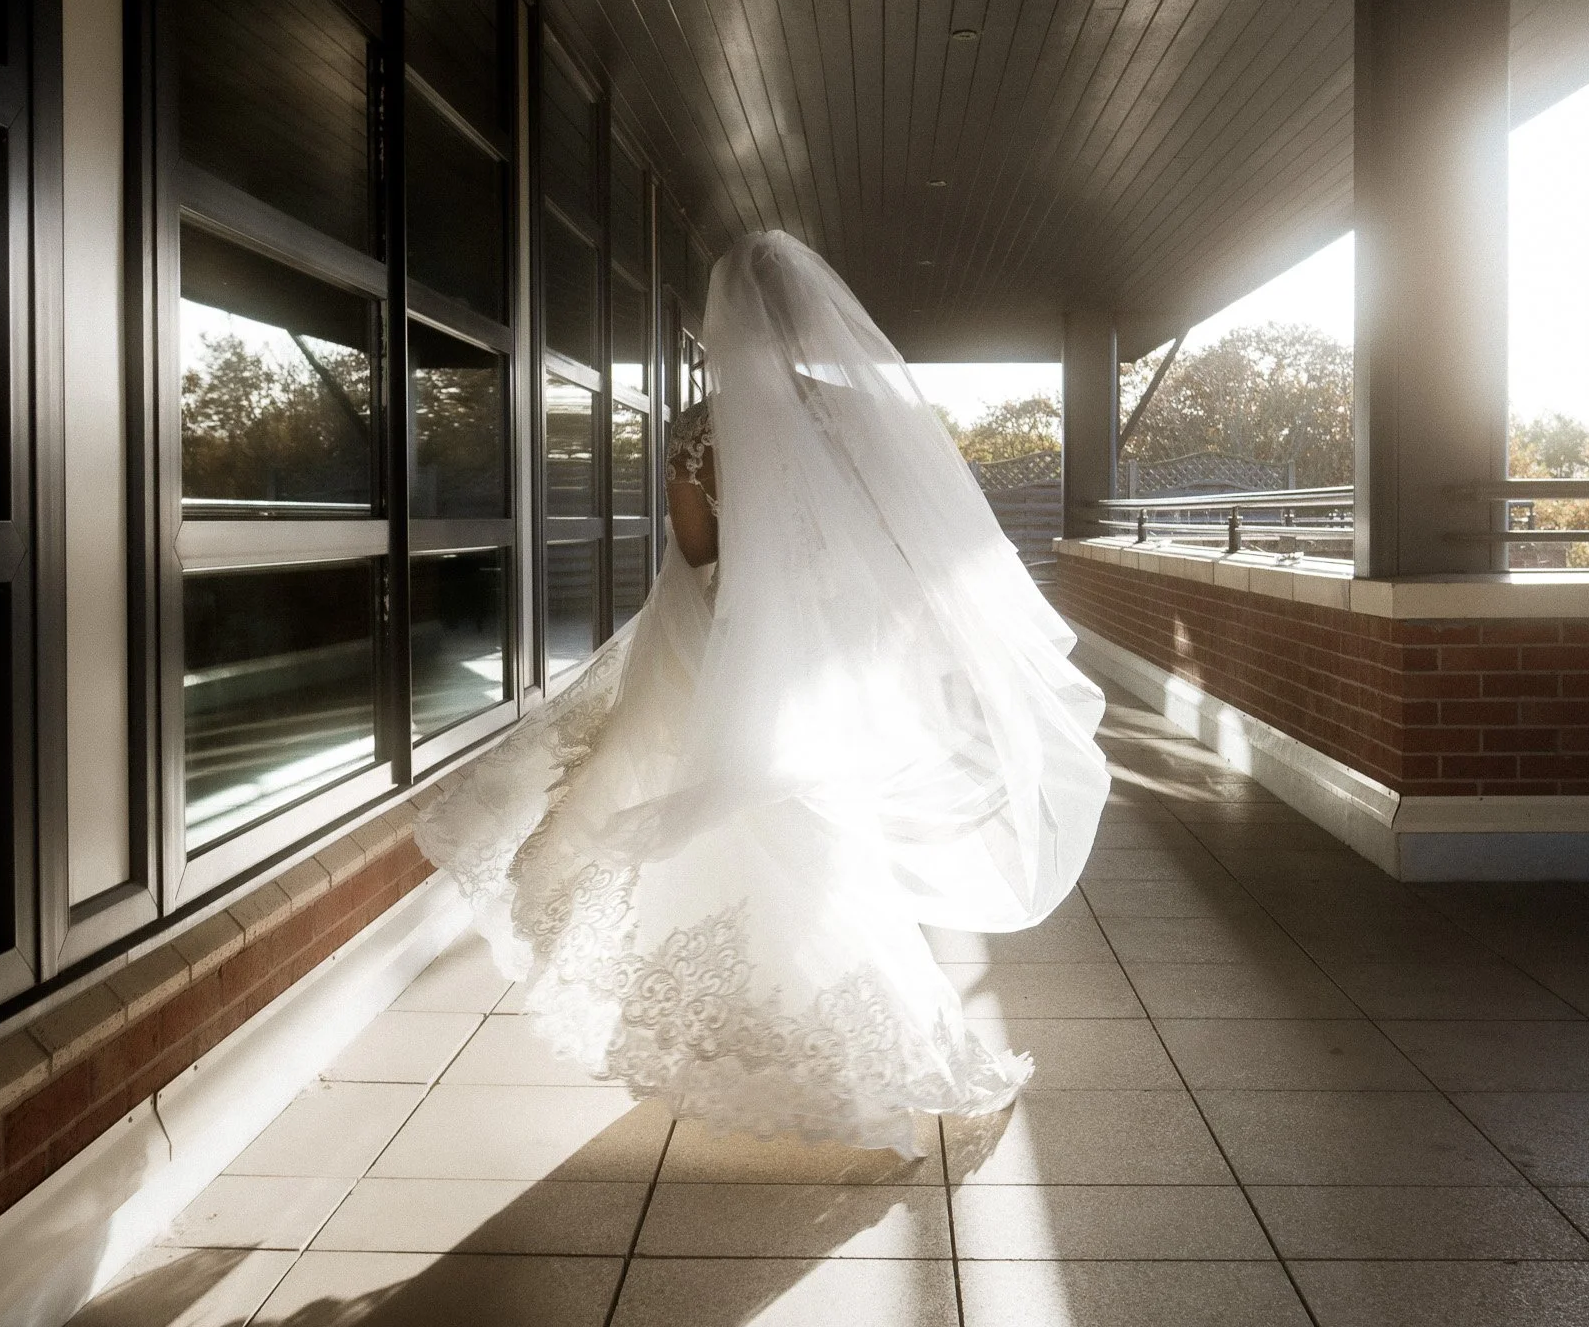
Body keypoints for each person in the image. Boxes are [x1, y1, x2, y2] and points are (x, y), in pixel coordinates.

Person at [419, 229, 1109, 1153]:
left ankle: (778, 1034)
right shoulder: (854, 415)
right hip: (832, 656)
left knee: (734, 824)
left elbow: (698, 552)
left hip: (728, 647)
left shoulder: (701, 428)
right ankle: (860, 1035)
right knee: (821, 837)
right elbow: (903, 541)